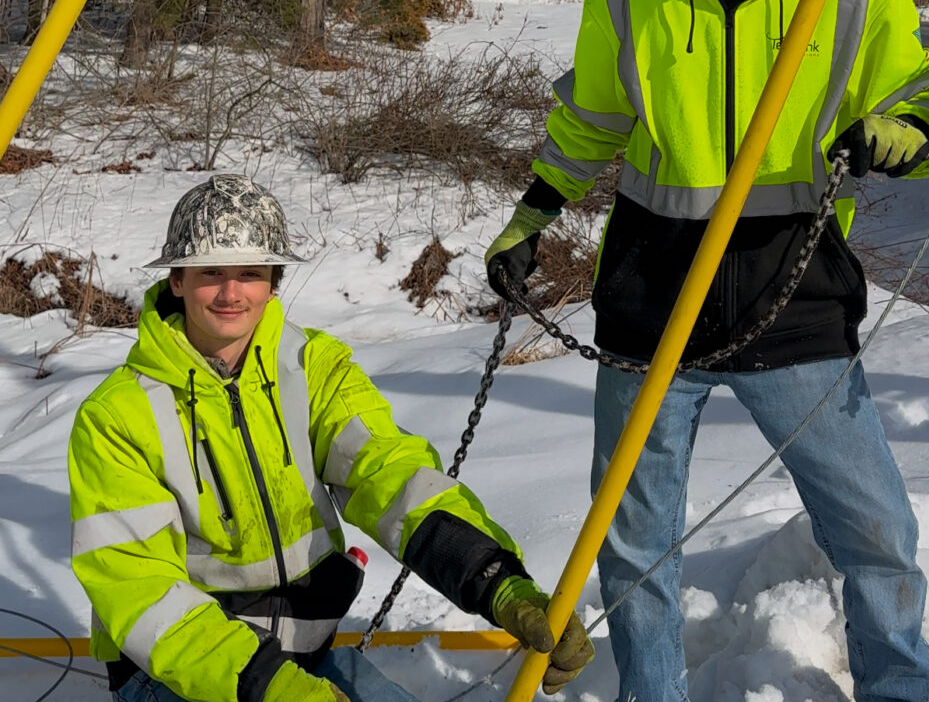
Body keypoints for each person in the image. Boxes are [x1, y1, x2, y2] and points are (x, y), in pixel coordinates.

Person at [485, 0, 929, 702]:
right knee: (633, 537)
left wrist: (901, 131)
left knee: (871, 524)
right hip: (650, 287)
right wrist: (532, 214)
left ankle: (898, 687)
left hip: (793, 287)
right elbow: (591, 120)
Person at [69, 174, 593, 702]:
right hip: (182, 676)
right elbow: (137, 584)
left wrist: (498, 582)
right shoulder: (117, 417)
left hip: (306, 657)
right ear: (177, 281)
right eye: (211, 273)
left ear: (273, 281)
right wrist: (272, 688)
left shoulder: (315, 368)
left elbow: (391, 477)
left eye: (249, 272)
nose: (231, 293)